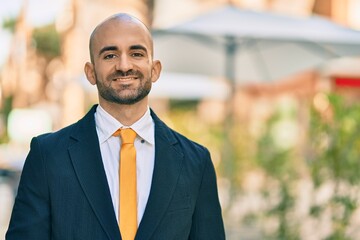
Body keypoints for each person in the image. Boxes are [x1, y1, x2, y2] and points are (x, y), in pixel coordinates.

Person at [6, 13, 225, 240]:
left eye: (136, 53)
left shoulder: (195, 162)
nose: (124, 65)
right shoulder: (48, 155)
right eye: (110, 55)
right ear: (91, 72)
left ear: (155, 69)